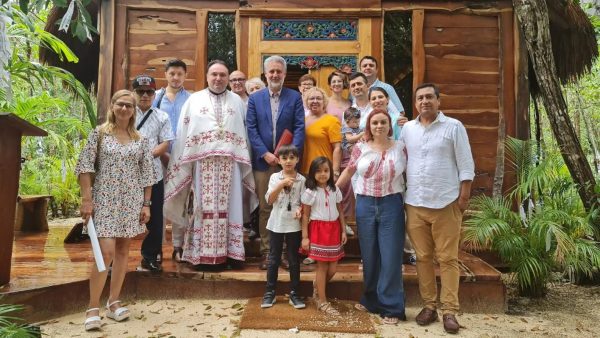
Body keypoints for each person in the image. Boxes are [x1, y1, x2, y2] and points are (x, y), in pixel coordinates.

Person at [164, 60, 257, 268]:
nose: (218, 78)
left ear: (227, 78)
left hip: (230, 165)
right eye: (214, 74)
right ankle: (202, 255)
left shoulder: (237, 101)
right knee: (202, 209)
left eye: (223, 75)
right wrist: (181, 164)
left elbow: (245, 135)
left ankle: (231, 255)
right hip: (201, 165)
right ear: (207, 76)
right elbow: (182, 134)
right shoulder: (194, 100)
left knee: (231, 208)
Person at [76, 89, 155, 331]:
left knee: (123, 251)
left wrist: (146, 204)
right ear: (112, 106)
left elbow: (147, 174)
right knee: (106, 251)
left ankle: (113, 302)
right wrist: (86, 200)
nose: (124, 109)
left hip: (130, 201)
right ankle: (92, 307)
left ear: (133, 111)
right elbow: (84, 168)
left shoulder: (140, 139)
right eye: (120, 105)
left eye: (128, 106)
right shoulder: (98, 135)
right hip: (105, 200)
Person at [401, 83, 474, 334]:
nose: (424, 101)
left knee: (447, 259)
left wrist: (462, 199)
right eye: (420, 98)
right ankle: (429, 305)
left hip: (446, 202)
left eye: (429, 97)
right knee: (422, 258)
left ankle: (450, 310)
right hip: (415, 203)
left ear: (438, 100)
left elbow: (466, 165)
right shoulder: (407, 129)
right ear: (415, 103)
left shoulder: (453, 127)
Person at [337, 108, 408, 325]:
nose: (379, 126)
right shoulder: (360, 148)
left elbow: (409, 174)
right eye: (375, 122)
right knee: (369, 255)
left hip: (391, 204)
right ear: (369, 126)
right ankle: (371, 300)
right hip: (365, 204)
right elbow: (349, 172)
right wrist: (330, 192)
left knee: (391, 256)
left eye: (383, 122)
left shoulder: (401, 148)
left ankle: (392, 307)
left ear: (389, 125)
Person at [246, 55, 305, 270]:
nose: (275, 75)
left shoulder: (295, 97)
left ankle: (289, 253)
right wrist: (264, 153)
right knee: (266, 207)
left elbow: (299, 128)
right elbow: (251, 129)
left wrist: (287, 156)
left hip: (287, 163)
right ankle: (269, 253)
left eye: (278, 71)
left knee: (291, 206)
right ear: (265, 74)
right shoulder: (255, 98)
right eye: (271, 71)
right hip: (263, 163)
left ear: (284, 74)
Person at [151, 59, 191, 263]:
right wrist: (162, 153)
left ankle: (178, 246)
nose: (175, 78)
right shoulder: (155, 98)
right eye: (172, 73)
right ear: (165, 75)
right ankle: (156, 248)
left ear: (185, 76)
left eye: (180, 74)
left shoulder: (193, 99)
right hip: (158, 158)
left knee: (180, 202)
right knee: (157, 204)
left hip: (184, 159)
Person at [133, 74, 174, 272]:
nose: (145, 95)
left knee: (156, 217)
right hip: (126, 174)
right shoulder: (125, 113)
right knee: (125, 213)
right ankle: (114, 258)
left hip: (154, 173)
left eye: (149, 91)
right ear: (134, 93)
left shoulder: (161, 116)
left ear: (154, 93)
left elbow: (166, 142)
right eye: (140, 92)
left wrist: (147, 157)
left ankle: (149, 256)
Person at [260, 144, 306, 310]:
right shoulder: (274, 178)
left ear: (297, 159)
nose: (288, 161)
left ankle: (294, 292)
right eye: (284, 158)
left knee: (293, 259)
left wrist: (300, 210)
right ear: (278, 160)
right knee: (273, 258)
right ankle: (270, 291)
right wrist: (281, 184)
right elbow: (269, 200)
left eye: (292, 158)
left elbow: (304, 202)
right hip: (276, 223)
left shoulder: (302, 180)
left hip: (293, 224)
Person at [301, 156, 347, 315]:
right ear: (312, 173)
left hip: (334, 229)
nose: (322, 174)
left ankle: (317, 287)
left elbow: (340, 211)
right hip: (318, 230)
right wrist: (305, 237)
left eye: (326, 170)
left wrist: (343, 230)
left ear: (330, 173)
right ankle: (322, 301)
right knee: (322, 266)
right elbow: (305, 216)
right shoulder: (310, 192)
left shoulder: (335, 190)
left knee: (333, 268)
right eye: (318, 171)